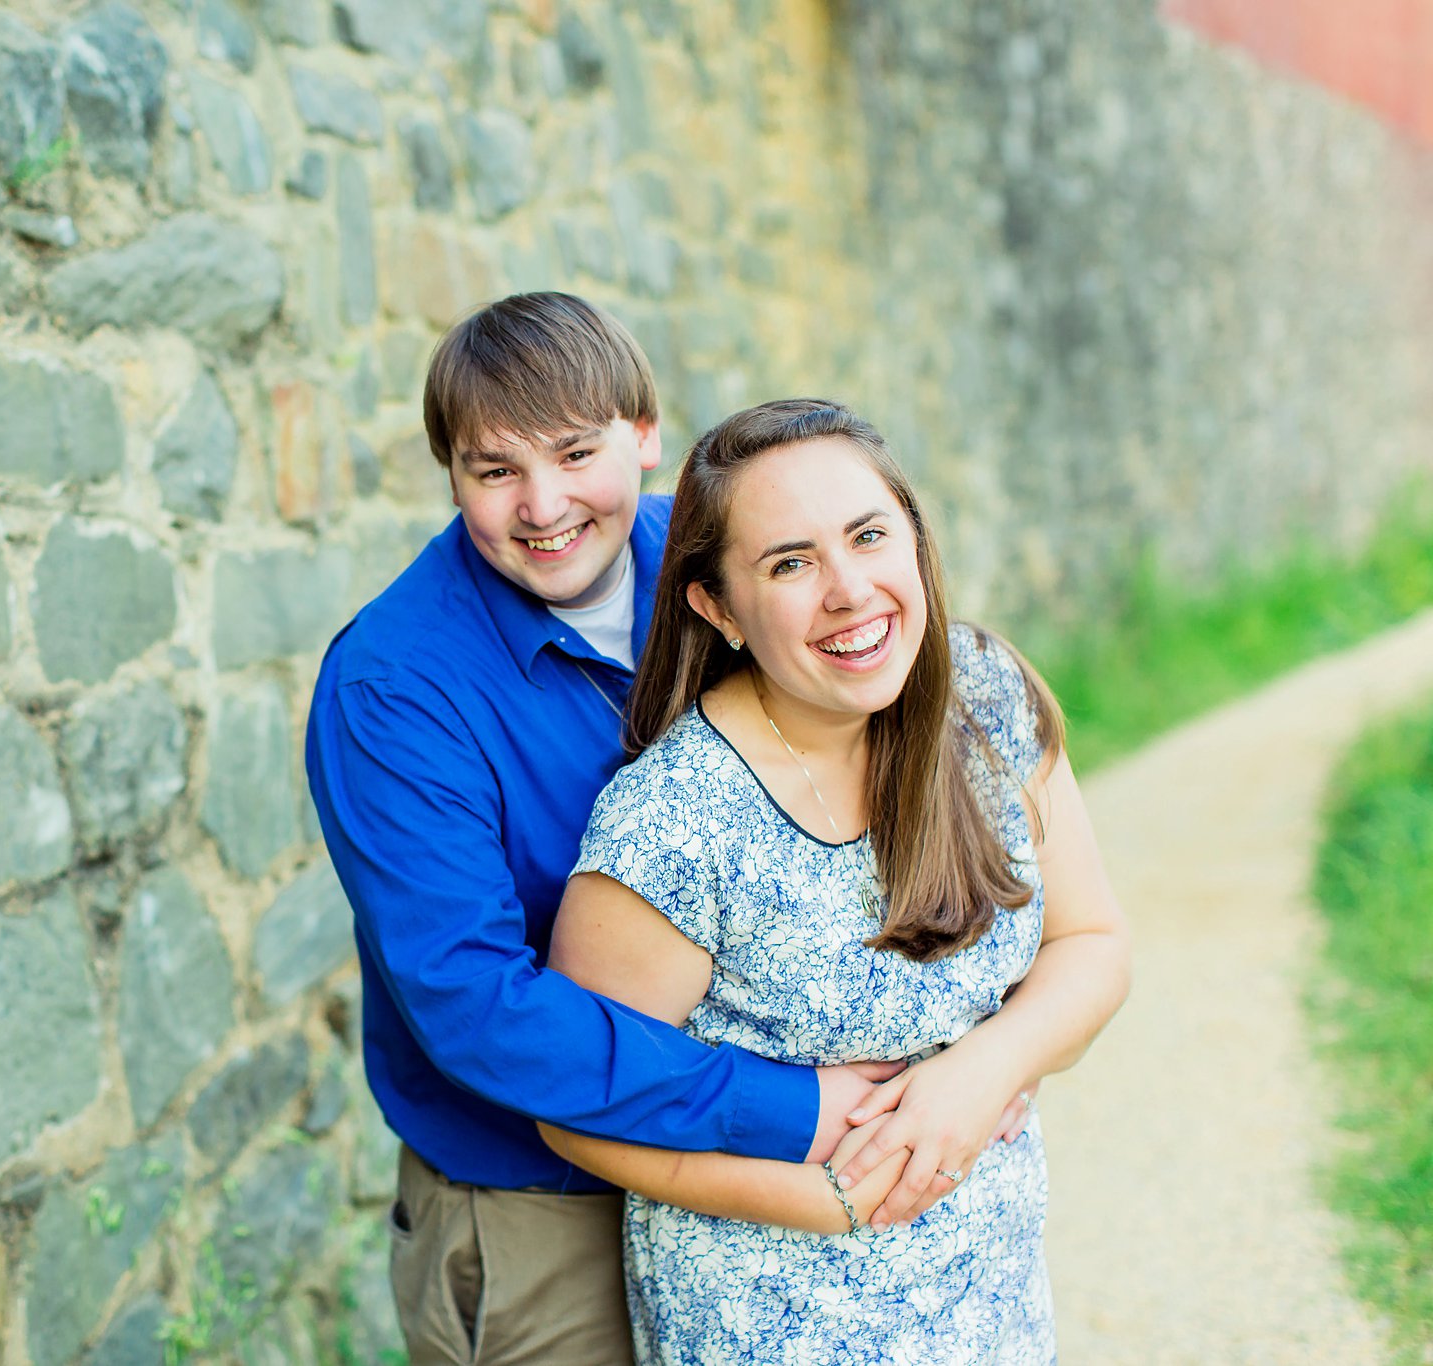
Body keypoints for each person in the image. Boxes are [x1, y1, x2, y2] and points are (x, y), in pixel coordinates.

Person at [306, 296, 1049, 1363]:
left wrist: (969, 1051)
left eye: (574, 453)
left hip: (768, 1193)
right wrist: (793, 1109)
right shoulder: (392, 689)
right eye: (492, 470)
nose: (543, 504)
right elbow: (475, 1010)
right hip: (538, 1202)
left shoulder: (730, 563)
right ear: (450, 473)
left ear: (645, 435)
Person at [538, 398, 1131, 1363]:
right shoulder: (675, 823)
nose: (849, 590)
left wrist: (982, 1072)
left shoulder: (985, 694)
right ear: (717, 608)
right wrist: (827, 1202)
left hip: (994, 1306)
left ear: (914, 538)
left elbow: (1092, 945)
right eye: (790, 563)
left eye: (868, 535)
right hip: (769, 1324)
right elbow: (576, 1109)